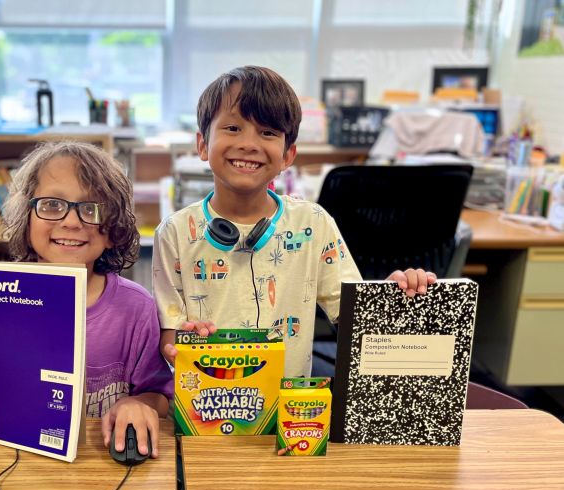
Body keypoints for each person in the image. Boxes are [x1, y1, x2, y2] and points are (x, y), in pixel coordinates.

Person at [153, 66, 435, 373]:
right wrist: (184, 341)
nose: (249, 143)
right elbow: (169, 332)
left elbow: (355, 316)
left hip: (289, 400)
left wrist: (389, 296)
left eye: (268, 132)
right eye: (233, 128)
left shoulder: (312, 224)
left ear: (288, 155)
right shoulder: (175, 232)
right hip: (209, 396)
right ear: (203, 145)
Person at [0, 141, 172, 457]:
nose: (71, 222)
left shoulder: (136, 308)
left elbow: (160, 395)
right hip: (1, 459)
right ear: (26, 217)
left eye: (91, 209)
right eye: (52, 205)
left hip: (98, 460)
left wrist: (138, 403)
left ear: (113, 229)